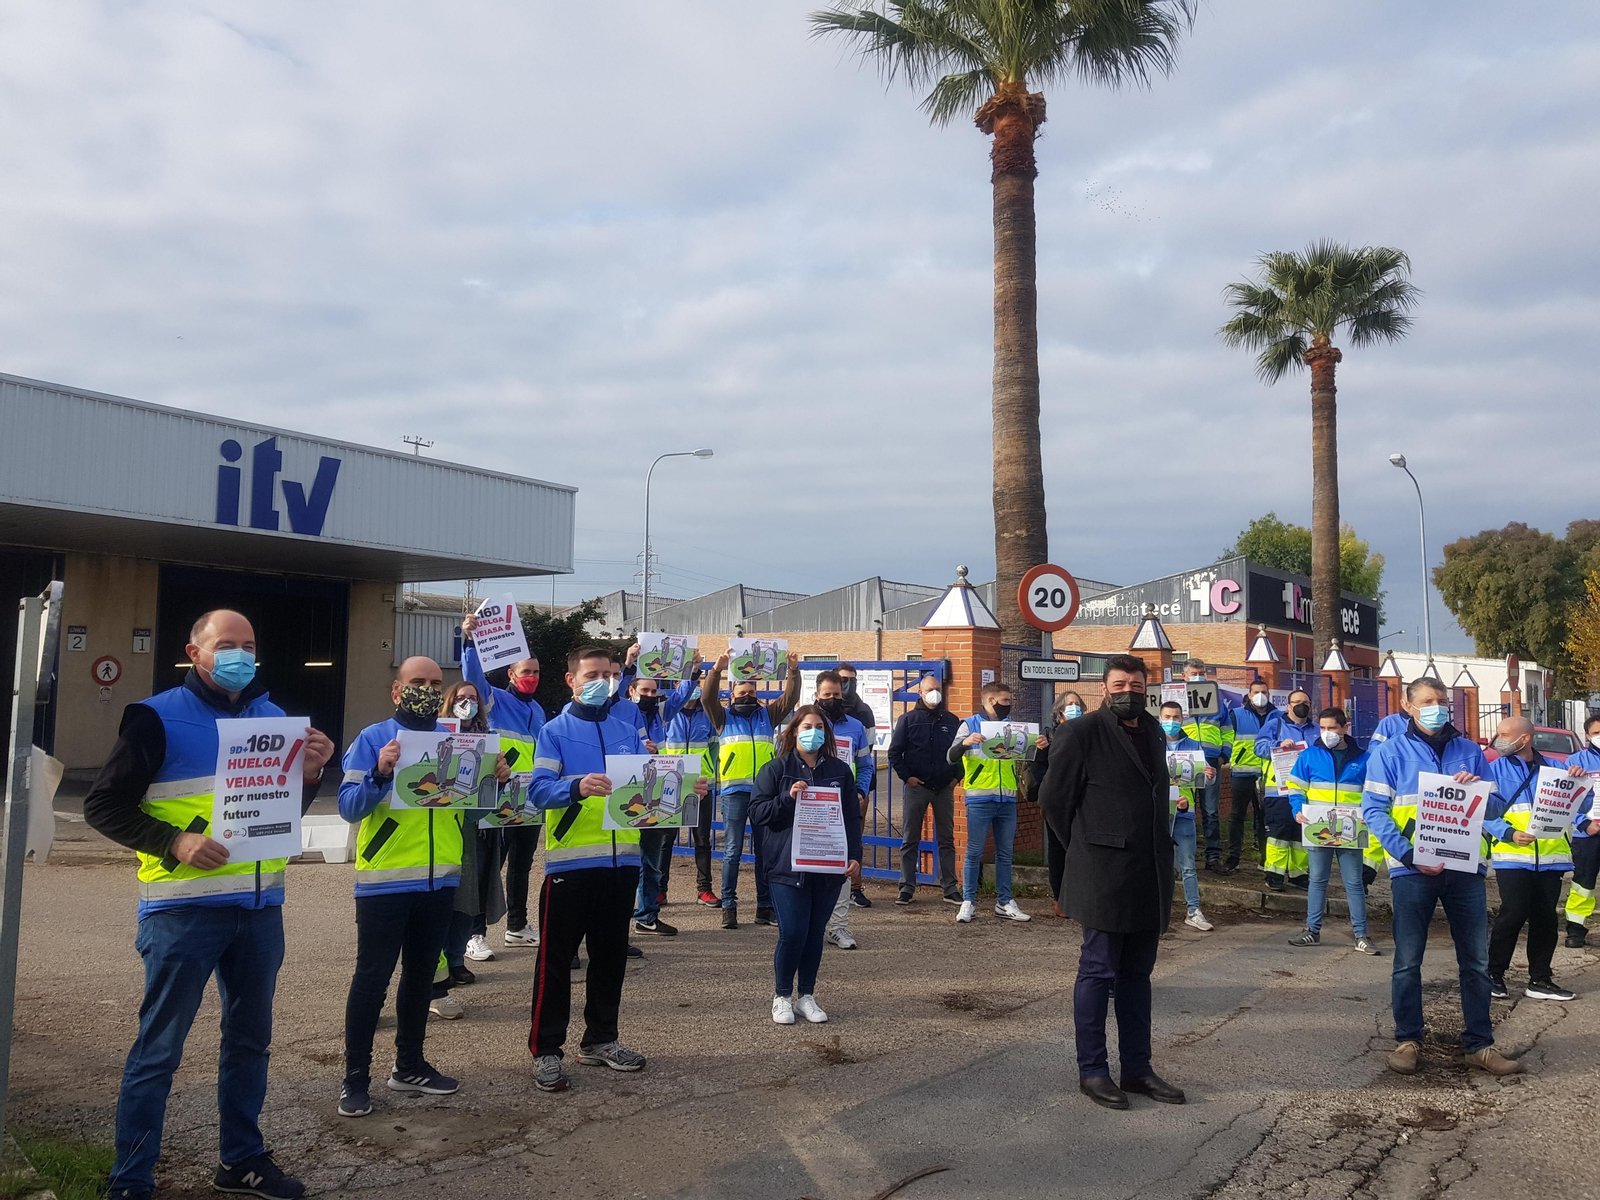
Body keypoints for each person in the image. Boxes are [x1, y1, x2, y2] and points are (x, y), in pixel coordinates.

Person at [87, 610, 334, 1200]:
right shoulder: (156, 717)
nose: (241, 656)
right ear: (194, 653)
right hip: (182, 913)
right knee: (159, 1050)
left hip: (258, 911)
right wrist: (174, 841)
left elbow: (280, 819)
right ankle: (131, 1179)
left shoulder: (275, 719)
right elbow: (103, 807)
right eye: (227, 645)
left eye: (249, 646)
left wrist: (310, 776)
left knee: (250, 1042)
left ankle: (241, 1160)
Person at [525, 646, 709, 1093]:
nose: (602, 681)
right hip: (571, 866)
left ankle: (601, 1040)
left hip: (623, 863)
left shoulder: (630, 729)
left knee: (609, 959)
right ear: (571, 680)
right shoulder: (554, 731)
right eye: (592, 674)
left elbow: (647, 794)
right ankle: (547, 1050)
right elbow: (538, 791)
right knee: (555, 963)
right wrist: (576, 786)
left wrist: (687, 791)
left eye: (609, 674)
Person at [339, 657, 499, 1116]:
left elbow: (471, 813)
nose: (427, 690)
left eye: (434, 683)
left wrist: (491, 784)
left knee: (421, 978)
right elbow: (350, 807)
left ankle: (409, 1066)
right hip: (384, 883)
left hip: (441, 880)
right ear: (397, 690)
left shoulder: (459, 740)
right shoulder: (372, 738)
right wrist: (380, 773)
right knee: (371, 980)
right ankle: (355, 1078)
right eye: (417, 683)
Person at [1040, 654, 1183, 1111]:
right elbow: (1054, 802)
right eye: (1120, 683)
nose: (1129, 691)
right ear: (1104, 688)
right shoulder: (1080, 732)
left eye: (1137, 685)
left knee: (1137, 976)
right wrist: (1082, 851)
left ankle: (1138, 1068)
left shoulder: (1156, 732)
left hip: (1149, 872)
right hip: (1102, 872)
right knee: (1098, 971)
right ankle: (1093, 1071)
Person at [1362, 677, 1520, 1076]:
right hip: (1413, 870)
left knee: (1476, 962)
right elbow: (1374, 811)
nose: (1438, 707)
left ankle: (1480, 1046)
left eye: (1442, 700)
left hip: (1465, 870)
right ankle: (1408, 1040)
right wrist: (1408, 853)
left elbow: (1495, 807)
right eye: (1429, 701)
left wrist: (1482, 791)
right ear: (1408, 705)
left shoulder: (1470, 750)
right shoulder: (1390, 752)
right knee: (1408, 961)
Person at [750, 705, 863, 1025]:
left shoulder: (840, 771)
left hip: (827, 867)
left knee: (815, 934)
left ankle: (806, 996)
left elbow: (851, 817)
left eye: (819, 727)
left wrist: (854, 855)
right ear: (794, 731)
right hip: (787, 867)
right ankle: (782, 996)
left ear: (826, 734)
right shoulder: (776, 769)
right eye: (806, 726)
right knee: (793, 932)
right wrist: (787, 798)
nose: (813, 732)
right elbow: (757, 813)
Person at [1483, 716, 1592, 1002]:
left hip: (1551, 859)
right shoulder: (1493, 770)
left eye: (1505, 734)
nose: (1499, 739)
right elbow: (1484, 811)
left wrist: (1582, 783)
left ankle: (1540, 979)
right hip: (1512, 857)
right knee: (1513, 914)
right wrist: (1508, 833)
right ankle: (1493, 974)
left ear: (1525, 738)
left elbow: (1583, 805)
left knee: (1545, 920)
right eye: (1498, 734)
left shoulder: (1557, 768)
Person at [460, 610, 546, 951]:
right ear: (511, 673)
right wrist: (471, 641)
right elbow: (473, 678)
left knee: (522, 866)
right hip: (499, 798)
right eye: (527, 672)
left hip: (530, 800)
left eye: (537, 672)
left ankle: (517, 925)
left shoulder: (539, 710)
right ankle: (474, 933)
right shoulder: (495, 698)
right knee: (488, 867)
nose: (533, 677)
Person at [703, 648, 801, 929]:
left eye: (751, 690)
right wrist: (717, 670)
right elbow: (707, 697)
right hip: (734, 794)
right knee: (732, 851)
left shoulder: (767, 716)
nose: (747, 695)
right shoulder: (721, 719)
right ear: (731, 694)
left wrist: (792, 670)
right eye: (741, 691)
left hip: (764, 795)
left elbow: (790, 698)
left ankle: (765, 907)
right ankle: (729, 907)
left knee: (765, 852)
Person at [438, 680, 510, 1015]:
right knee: (448, 900)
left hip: (480, 827)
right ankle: (440, 965)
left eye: (473, 698)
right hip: (447, 827)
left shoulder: (489, 738)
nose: (467, 703)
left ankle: (455, 959)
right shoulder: (436, 733)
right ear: (449, 701)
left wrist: (500, 777)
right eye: (461, 698)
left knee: (471, 897)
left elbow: (490, 792)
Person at [949, 681, 1045, 923]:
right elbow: (950, 757)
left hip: (1007, 797)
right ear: (991, 701)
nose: (1009, 705)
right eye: (1006, 701)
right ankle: (968, 901)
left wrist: (1040, 745)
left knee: (1005, 853)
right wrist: (965, 743)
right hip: (979, 797)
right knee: (974, 852)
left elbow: (1029, 755)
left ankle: (1004, 902)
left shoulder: (1012, 726)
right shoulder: (969, 724)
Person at [1283, 708, 1377, 953]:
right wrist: (1296, 810)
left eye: (1332, 728)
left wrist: (1369, 814)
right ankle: (1312, 930)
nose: (1327, 733)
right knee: (1317, 880)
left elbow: (1372, 794)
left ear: (1345, 728)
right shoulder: (1309, 756)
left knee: (1354, 883)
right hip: (1317, 827)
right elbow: (1295, 787)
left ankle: (1361, 935)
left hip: (1352, 829)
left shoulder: (1364, 759)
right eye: (1322, 728)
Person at [885, 674, 962, 906]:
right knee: (910, 839)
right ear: (920, 692)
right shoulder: (908, 720)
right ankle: (906, 887)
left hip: (944, 788)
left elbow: (962, 752)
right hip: (918, 788)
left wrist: (956, 778)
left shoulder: (952, 720)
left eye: (937, 689)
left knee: (946, 840)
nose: (934, 693)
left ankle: (950, 887)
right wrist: (908, 778)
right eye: (930, 689)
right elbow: (894, 753)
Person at [813, 670, 874, 949]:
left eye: (836, 694)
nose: (833, 699)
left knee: (844, 865)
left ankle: (838, 927)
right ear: (817, 696)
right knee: (811, 864)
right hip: (813, 805)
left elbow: (865, 766)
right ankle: (812, 924)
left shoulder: (856, 727)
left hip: (844, 804)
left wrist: (860, 791)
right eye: (827, 695)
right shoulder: (809, 725)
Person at [662, 667, 720, 907]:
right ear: (678, 687)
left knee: (702, 840)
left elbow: (715, 750)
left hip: (700, 785)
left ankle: (704, 890)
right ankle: (659, 889)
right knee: (666, 841)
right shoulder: (666, 715)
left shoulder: (708, 714)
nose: (695, 690)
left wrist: (712, 779)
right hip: (669, 785)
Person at [1159, 700, 1214, 933]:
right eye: (1167, 717)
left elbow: (1204, 779)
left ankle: (1193, 911)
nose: (1171, 722)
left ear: (1183, 719)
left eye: (1176, 718)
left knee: (1188, 866)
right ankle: (1155, 912)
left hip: (1184, 813)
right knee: (1154, 866)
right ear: (1159, 719)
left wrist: (1209, 774)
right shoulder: (1151, 744)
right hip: (1156, 815)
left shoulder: (1194, 746)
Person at [1257, 688, 1317, 892]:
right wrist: (1279, 744)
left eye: (1306, 702)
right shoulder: (1276, 725)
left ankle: (1299, 874)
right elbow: (1259, 748)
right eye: (1297, 702)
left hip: (1308, 792)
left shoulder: (1316, 729)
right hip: (1279, 791)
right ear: (1289, 706)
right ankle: (1274, 874)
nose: (1302, 705)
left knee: (1301, 834)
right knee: (1278, 834)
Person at [1034, 690, 1087, 912]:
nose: (1073, 708)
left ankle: (1080, 897)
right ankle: (1059, 899)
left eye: (1077, 704)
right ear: (1059, 711)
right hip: (1058, 801)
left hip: (1084, 799)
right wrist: (1041, 750)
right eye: (1069, 705)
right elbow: (1039, 769)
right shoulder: (1049, 736)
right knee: (1057, 850)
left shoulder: (1089, 732)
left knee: (1082, 848)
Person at [1178, 660, 1232, 871]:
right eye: (1194, 673)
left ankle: (1212, 857)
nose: (1198, 676)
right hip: (1183, 760)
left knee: (1210, 811)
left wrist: (1224, 754)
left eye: (1201, 672)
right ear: (1184, 676)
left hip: (1211, 761)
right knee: (1184, 807)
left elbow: (1227, 729)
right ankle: (1186, 856)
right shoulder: (1177, 699)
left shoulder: (1216, 701)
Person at [834, 662, 879, 910]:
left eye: (851, 679)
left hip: (856, 787)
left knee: (854, 837)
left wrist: (862, 789)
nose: (847, 684)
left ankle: (855, 888)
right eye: (843, 679)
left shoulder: (864, 712)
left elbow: (866, 753)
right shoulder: (820, 711)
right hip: (826, 787)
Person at [1222, 679, 1275, 873]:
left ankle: (1266, 858)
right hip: (1242, 774)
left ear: (1268, 694)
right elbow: (1227, 739)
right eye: (1256, 692)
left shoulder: (1278, 717)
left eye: (1264, 692)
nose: (1260, 695)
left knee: (1265, 817)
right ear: (1249, 695)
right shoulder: (1236, 715)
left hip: (1268, 776)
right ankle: (1233, 857)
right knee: (1237, 816)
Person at [1564, 714, 1600, 946]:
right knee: (1582, 883)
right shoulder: (1575, 762)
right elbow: (1565, 799)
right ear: (1587, 735)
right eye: (1596, 733)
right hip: (1587, 833)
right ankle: (1575, 930)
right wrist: (1584, 824)